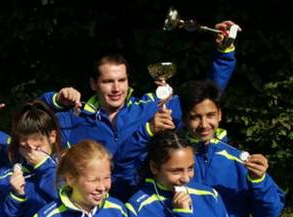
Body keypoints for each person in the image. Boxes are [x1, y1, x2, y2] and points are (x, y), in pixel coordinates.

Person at [40, 21, 239, 198]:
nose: (117, 88)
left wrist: (225, 52)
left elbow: (205, 96)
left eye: (122, 80)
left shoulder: (151, 107)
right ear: (93, 84)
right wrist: (55, 100)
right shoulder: (75, 118)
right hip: (99, 209)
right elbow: (31, 117)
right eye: (108, 81)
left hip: (147, 205)